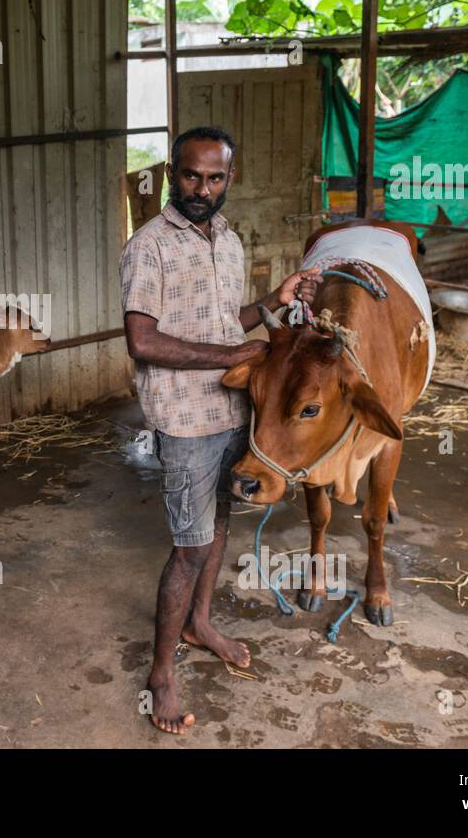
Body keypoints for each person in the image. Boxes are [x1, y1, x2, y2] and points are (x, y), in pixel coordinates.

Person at [119, 126, 319, 735]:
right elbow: (143, 340)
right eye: (189, 175)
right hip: (185, 420)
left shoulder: (227, 239)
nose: (201, 188)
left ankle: (200, 623)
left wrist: (269, 304)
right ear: (171, 173)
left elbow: (221, 325)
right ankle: (160, 673)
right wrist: (244, 358)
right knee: (189, 548)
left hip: (236, 413)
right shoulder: (149, 246)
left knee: (222, 522)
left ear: (230, 178)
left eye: (215, 178)